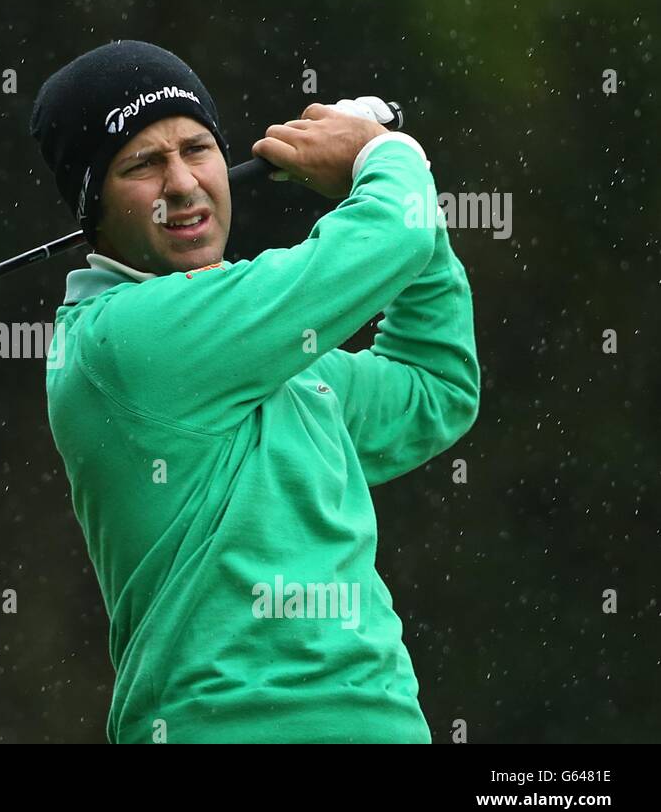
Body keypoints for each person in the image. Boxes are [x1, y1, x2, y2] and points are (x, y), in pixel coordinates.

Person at [30, 40, 480, 743]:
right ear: (95, 206)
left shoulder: (286, 364)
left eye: (198, 149)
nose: (182, 184)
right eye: (143, 164)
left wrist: (394, 177)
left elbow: (435, 386)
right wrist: (390, 159)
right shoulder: (123, 340)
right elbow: (387, 234)